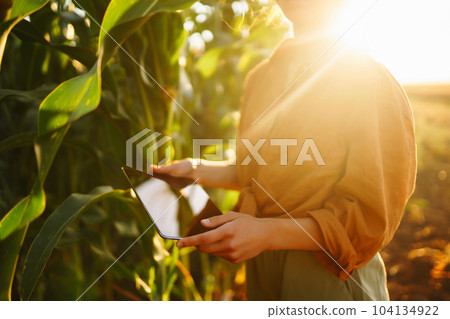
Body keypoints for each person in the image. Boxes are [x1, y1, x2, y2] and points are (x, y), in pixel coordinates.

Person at [152, 0, 417, 300]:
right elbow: (261, 170)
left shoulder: (367, 79)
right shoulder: (261, 77)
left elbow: (369, 218)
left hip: (328, 269)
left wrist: (266, 234)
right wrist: (196, 170)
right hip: (261, 267)